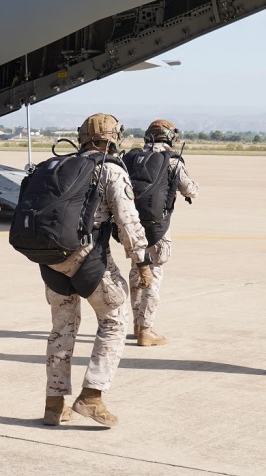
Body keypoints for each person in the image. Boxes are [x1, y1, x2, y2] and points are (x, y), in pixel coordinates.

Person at [40, 113, 149, 428]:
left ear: (82, 138)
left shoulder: (59, 166)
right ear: (113, 138)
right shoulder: (110, 170)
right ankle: (92, 395)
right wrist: (141, 262)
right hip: (89, 259)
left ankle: (54, 404)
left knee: (61, 329)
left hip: (51, 260)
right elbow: (128, 221)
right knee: (115, 320)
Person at [127, 119, 199, 346]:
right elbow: (190, 190)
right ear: (170, 137)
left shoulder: (133, 158)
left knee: (136, 272)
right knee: (154, 275)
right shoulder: (172, 160)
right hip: (158, 228)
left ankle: (137, 325)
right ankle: (146, 331)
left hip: (132, 227)